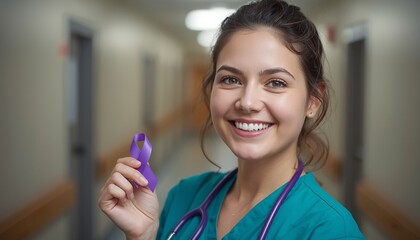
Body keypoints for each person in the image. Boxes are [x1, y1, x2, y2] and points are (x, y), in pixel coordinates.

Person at [98, 0, 365, 239]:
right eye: (230, 79)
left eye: (275, 82)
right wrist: (143, 235)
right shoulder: (183, 197)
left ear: (313, 101)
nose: (247, 102)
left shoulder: (329, 229)